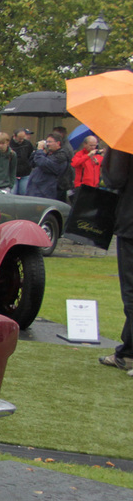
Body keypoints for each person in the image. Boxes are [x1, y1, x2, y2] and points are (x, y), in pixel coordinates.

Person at [101, 144, 133, 374]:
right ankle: (128, 351)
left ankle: (129, 354)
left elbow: (114, 179)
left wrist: (109, 153)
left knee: (131, 292)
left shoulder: (125, 140)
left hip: (131, 225)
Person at [25, 132, 69, 200]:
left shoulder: (61, 156)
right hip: (35, 189)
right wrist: (38, 151)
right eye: (47, 142)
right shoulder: (48, 154)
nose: (47, 144)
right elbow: (32, 163)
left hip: (45, 192)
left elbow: (42, 163)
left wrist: (40, 151)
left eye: (50, 142)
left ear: (58, 143)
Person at [71, 134, 104, 203]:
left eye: (94, 145)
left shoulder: (97, 155)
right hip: (82, 187)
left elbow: (104, 164)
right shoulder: (79, 154)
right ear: (85, 144)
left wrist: (106, 154)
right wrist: (88, 155)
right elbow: (74, 164)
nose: (93, 147)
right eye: (91, 145)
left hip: (94, 187)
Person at [12, 128, 36, 195]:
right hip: (13, 174)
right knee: (13, 193)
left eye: (22, 138)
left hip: (25, 173)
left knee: (24, 193)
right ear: (14, 136)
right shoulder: (9, 144)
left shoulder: (27, 144)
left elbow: (31, 156)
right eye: (19, 138)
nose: (21, 140)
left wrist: (29, 165)